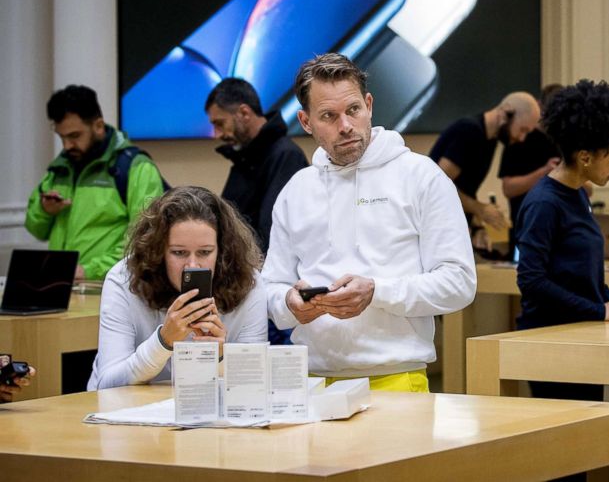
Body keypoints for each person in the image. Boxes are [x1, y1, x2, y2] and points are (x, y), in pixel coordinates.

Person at [263, 54, 476, 393]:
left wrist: (377, 291)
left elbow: (459, 283)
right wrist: (289, 304)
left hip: (395, 378)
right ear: (305, 122)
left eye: (353, 110)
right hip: (311, 383)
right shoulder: (297, 190)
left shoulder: (420, 177)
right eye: (329, 116)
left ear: (369, 105)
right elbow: (271, 287)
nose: (345, 126)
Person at [516, 80, 609, 402]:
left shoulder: (578, 195)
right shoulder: (544, 203)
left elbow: (584, 277)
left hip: (581, 335)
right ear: (585, 157)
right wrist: (600, 310)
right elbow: (531, 280)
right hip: (551, 343)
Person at [87, 186, 268, 390]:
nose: (192, 265)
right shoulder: (123, 279)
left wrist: (219, 357)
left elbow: (253, 383)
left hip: (210, 411)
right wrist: (163, 342)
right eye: (179, 253)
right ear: (158, 251)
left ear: (222, 251)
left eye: (204, 252)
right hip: (129, 411)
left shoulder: (249, 282)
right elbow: (107, 384)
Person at [25, 85, 165, 281]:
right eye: (61, 137)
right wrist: (45, 211)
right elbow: (35, 229)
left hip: (110, 288)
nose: (66, 146)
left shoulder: (135, 167)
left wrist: (88, 271)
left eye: (74, 136)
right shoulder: (59, 170)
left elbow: (145, 239)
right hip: (60, 288)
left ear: (98, 126)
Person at [205, 78, 308, 252]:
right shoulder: (245, 157)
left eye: (220, 123)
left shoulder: (286, 156)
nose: (216, 134)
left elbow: (272, 234)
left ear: (244, 113)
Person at [428, 91, 541, 250]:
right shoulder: (469, 131)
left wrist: (477, 225)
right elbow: (437, 186)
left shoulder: (490, 140)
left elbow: (464, 188)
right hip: (432, 231)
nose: (521, 138)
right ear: (507, 112)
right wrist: (480, 209)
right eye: (522, 129)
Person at [499, 84, 563, 252]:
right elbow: (508, 188)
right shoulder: (518, 138)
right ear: (539, 106)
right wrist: (544, 172)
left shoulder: (564, 140)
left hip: (560, 231)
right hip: (525, 231)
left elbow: (588, 190)